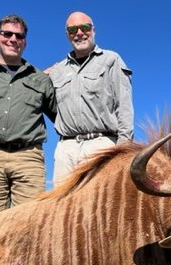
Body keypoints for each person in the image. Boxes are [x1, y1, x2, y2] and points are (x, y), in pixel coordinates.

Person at [0, 15, 56, 219]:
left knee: (30, 226)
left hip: (28, 158)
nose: (13, 39)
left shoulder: (40, 79)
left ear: (24, 41)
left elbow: (61, 116)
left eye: (19, 35)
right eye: (7, 34)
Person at [46, 11, 133, 185]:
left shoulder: (111, 60)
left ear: (93, 30)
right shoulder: (59, 70)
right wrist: (42, 74)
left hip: (101, 144)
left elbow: (124, 107)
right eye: (73, 30)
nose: (79, 33)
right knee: (62, 207)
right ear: (67, 35)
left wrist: (123, 151)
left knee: (100, 206)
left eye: (84, 27)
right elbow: (33, 88)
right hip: (66, 149)